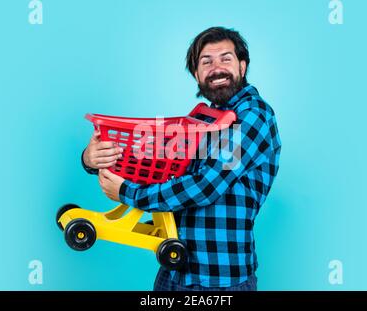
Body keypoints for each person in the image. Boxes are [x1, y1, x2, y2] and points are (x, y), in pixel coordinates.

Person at [81, 26, 281, 291]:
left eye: (226, 58)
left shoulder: (251, 116)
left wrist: (127, 192)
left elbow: (206, 185)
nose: (216, 68)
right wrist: (94, 158)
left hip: (218, 278)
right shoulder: (209, 118)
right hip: (176, 268)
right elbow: (158, 162)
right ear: (196, 74)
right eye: (206, 62)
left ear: (242, 66)